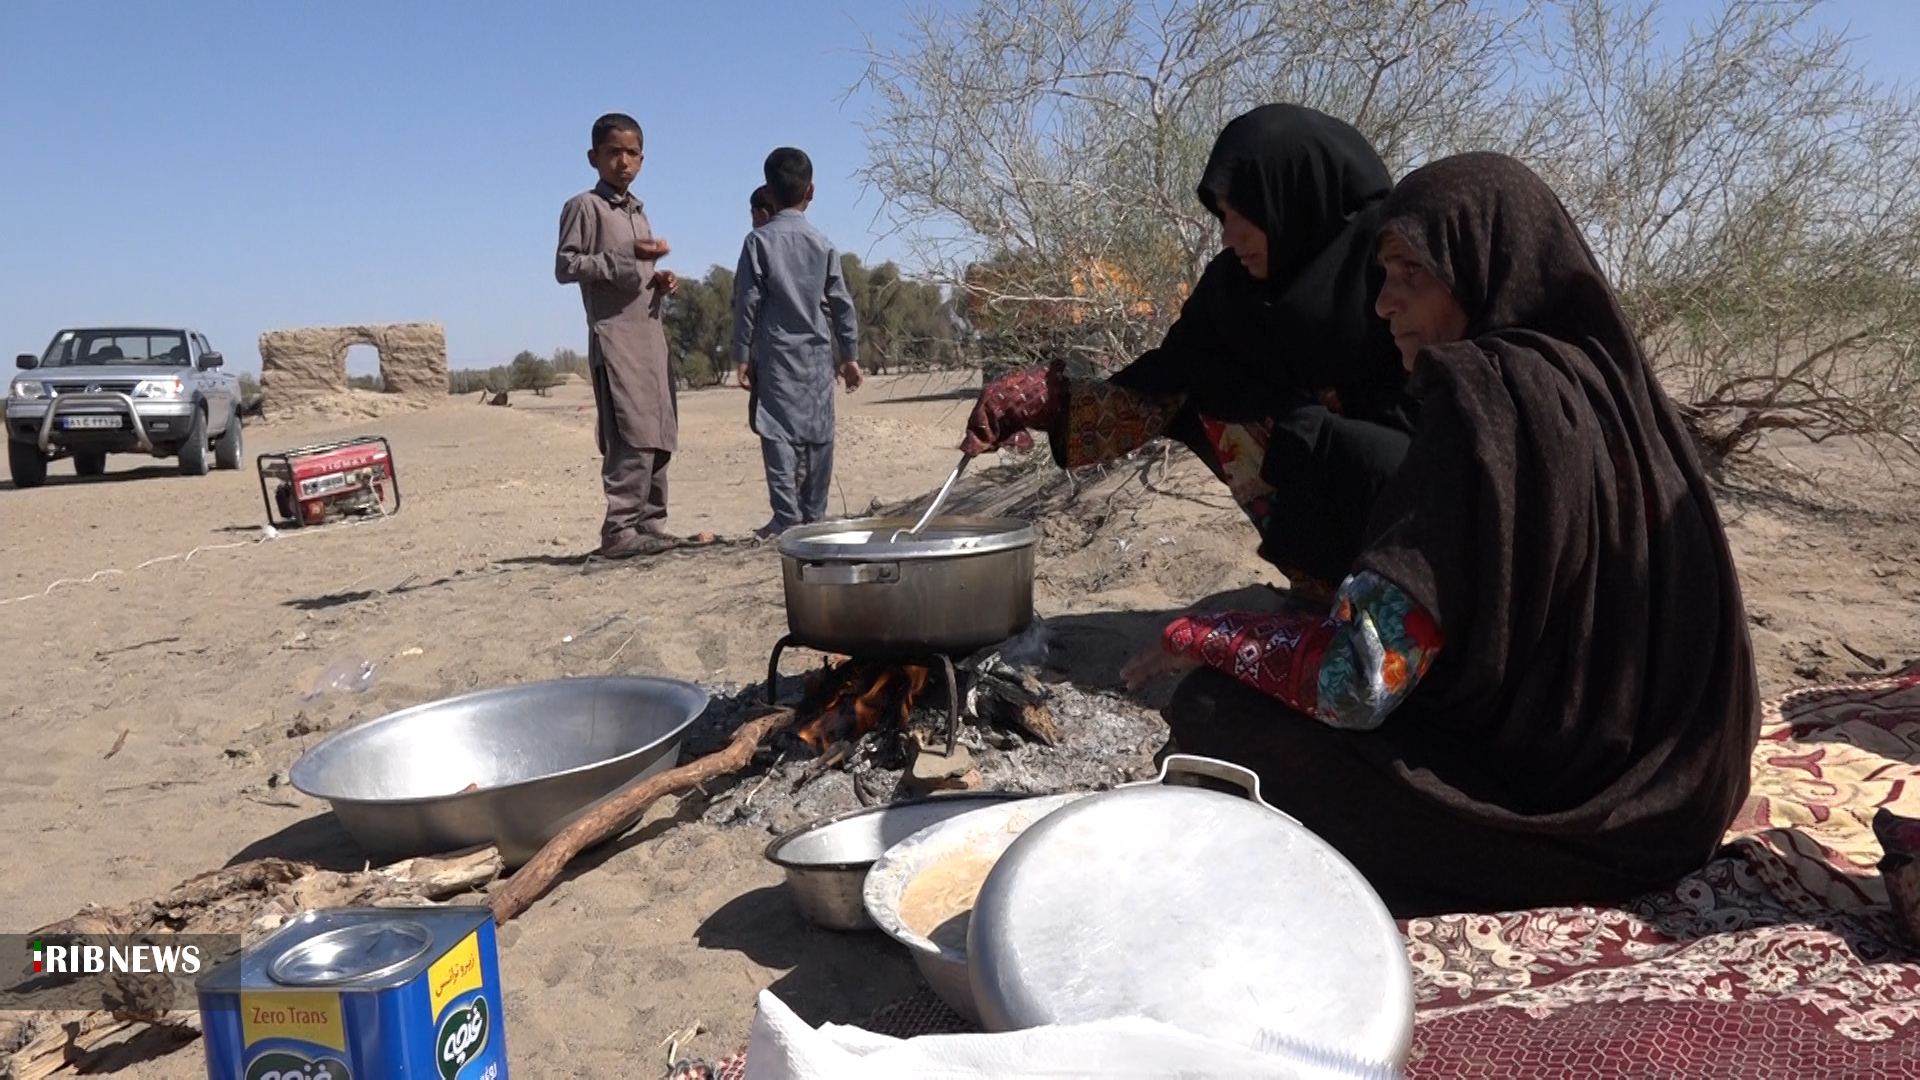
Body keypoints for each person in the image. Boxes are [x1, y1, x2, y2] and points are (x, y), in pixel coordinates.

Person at [1122, 152, 1761, 917]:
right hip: (1684, 798)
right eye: (1382, 276)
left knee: (1214, 715)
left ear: (1481, 267)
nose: (1384, 304)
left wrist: (1204, 633)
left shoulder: (1480, 401)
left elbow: (1354, 685)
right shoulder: (1608, 382)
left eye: (1411, 274)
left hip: (1579, 829)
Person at [960, 104, 1416, 599]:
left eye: (1242, 216)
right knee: (1211, 398)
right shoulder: (1233, 291)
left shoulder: (1401, 266)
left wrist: (1321, 431)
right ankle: (1327, 593)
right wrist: (1044, 402)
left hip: (1428, 519)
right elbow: (1166, 380)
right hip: (1324, 497)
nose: (1228, 236)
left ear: (1288, 198)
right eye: (1222, 217)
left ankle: (1392, 604)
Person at [555, 112, 685, 559]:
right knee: (630, 432)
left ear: (643, 159)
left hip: (651, 338)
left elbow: (636, 271)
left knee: (660, 431)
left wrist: (660, 279)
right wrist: (621, 260)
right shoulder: (584, 207)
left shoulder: (639, 211)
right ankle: (620, 531)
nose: (623, 162)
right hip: (615, 341)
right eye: (613, 153)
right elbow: (566, 266)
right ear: (594, 157)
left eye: (632, 153)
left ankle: (651, 523)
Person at [732, 147, 862, 540]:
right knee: (819, 430)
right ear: (811, 191)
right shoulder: (823, 244)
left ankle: (787, 516)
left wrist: (741, 354)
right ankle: (814, 513)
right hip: (818, 352)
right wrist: (850, 355)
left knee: (777, 431)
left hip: (775, 353)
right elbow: (841, 303)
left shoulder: (758, 243)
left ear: (768, 194)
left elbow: (746, 302)